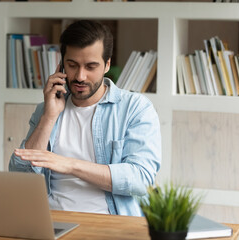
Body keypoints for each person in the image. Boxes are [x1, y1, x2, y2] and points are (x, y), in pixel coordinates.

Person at [9, 20, 161, 216]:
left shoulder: (135, 108)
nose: (80, 76)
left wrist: (70, 165)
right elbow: (20, 177)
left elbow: (141, 179)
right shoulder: (46, 110)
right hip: (50, 222)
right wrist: (49, 117)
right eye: (72, 65)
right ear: (61, 65)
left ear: (107, 65)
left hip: (107, 225)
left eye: (91, 66)